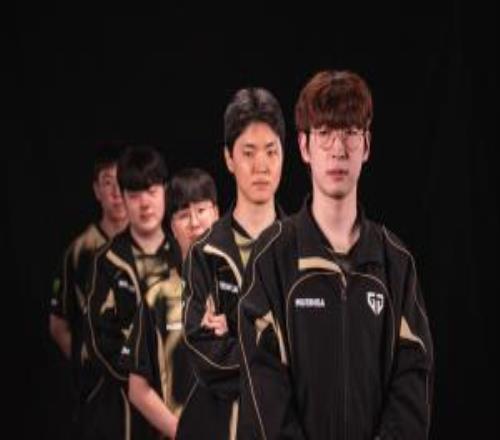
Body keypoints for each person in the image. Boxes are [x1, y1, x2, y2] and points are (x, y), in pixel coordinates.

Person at [238, 70, 434, 439]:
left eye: (350, 133)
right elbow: (262, 385)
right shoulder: (271, 256)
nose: (338, 149)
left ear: (367, 145)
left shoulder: (396, 261)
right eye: (325, 133)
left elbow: (413, 377)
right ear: (304, 147)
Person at [179, 87, 286, 439]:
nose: (261, 166)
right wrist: (275, 356)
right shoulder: (205, 253)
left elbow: (316, 354)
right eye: (248, 152)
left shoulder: (303, 251)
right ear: (228, 158)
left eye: (271, 151)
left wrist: (236, 334)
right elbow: (204, 356)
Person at [84, 144, 181, 439]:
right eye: (135, 195)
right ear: (124, 200)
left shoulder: (183, 256)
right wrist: (141, 383)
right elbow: (99, 340)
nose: (145, 204)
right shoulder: (107, 261)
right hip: (125, 409)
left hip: (182, 399)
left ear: (165, 192)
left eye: (151, 191)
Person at [123, 167, 219, 438]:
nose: (194, 223)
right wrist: (184, 433)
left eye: (201, 210)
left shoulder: (244, 286)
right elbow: (137, 389)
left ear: (217, 213)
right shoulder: (158, 296)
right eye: (183, 215)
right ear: (172, 227)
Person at [49, 142, 128, 433]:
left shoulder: (153, 246)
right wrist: (86, 364)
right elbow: (58, 324)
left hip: (147, 390)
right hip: (97, 395)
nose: (116, 192)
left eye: (122, 182)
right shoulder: (79, 251)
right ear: (97, 190)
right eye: (108, 183)